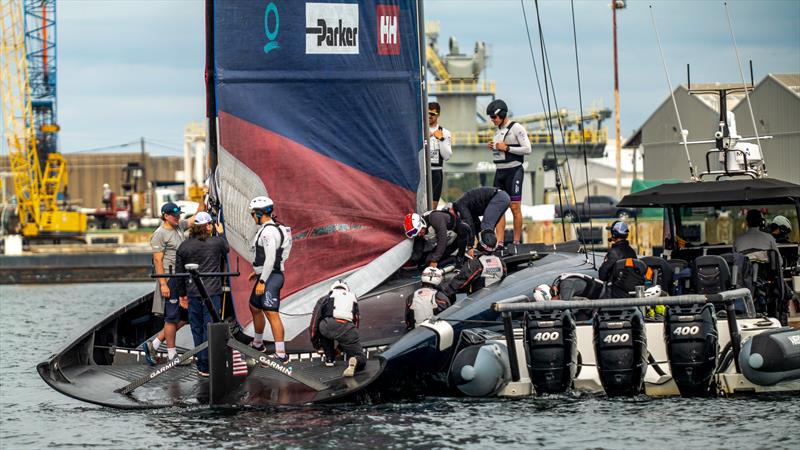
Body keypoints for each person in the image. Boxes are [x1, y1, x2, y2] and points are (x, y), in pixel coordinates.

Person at [141, 202, 201, 365]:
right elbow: (157, 260)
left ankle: (154, 344)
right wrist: (163, 284)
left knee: (186, 316)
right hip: (169, 278)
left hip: (181, 277)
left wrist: (205, 197)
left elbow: (196, 218)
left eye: (179, 215)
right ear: (165, 216)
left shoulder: (179, 226)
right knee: (171, 318)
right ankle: (172, 355)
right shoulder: (159, 234)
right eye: (175, 216)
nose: (178, 218)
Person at [175, 212, 228, 377]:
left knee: (197, 328)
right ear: (208, 226)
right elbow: (226, 249)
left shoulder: (184, 246)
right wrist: (220, 233)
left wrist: (181, 295)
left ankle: (202, 364)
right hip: (212, 292)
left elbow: (179, 273)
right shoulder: (217, 242)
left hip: (192, 292)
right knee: (209, 327)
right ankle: (208, 364)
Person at [247, 196, 292, 364]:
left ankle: (281, 354)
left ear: (259, 214)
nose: (252, 217)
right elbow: (285, 253)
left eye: (252, 214)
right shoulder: (279, 228)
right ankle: (258, 344)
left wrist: (263, 280)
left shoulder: (267, 232)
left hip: (270, 277)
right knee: (254, 306)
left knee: (272, 313)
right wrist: (258, 273)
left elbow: (270, 258)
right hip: (269, 274)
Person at [486, 99, 531, 248]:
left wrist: (507, 148)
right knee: (499, 207)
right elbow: (501, 148)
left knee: (514, 207)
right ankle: (500, 242)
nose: (492, 120)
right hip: (500, 172)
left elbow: (527, 149)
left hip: (514, 171)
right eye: (491, 118)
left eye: (494, 117)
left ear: (502, 114)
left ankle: (516, 241)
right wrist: (494, 147)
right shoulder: (498, 131)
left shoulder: (516, 128)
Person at [312, 281, 366, 377]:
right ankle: (356, 360)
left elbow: (314, 322)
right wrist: (340, 348)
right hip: (347, 328)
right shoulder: (353, 299)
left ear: (332, 289)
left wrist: (316, 344)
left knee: (322, 324)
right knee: (360, 357)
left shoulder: (325, 298)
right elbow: (356, 323)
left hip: (328, 326)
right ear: (346, 290)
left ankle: (329, 358)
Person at [440, 230, 507, 301]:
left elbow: (460, 281)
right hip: (497, 297)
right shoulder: (501, 261)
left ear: (481, 244)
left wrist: (444, 292)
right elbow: (504, 279)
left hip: (479, 301)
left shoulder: (476, 263)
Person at [404, 208, 470, 268]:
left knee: (463, 229)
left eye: (416, 231)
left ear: (421, 224)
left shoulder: (435, 218)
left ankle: (459, 258)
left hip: (456, 239)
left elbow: (442, 240)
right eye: (413, 233)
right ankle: (452, 258)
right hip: (446, 243)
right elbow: (417, 252)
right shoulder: (420, 232)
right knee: (426, 262)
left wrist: (434, 260)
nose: (418, 234)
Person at [428, 102, 452, 209]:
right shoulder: (420, 130)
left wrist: (441, 139)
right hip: (422, 171)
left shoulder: (445, 132)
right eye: (427, 113)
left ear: (438, 115)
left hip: (436, 172)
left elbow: (447, 156)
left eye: (432, 114)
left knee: (432, 209)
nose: (429, 116)